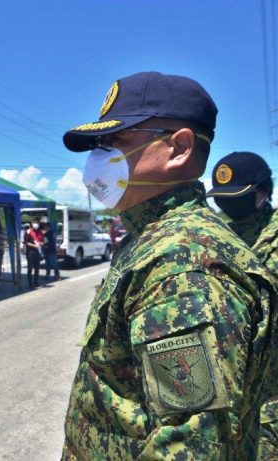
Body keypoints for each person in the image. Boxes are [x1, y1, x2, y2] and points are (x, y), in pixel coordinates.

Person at [60, 71, 277, 459]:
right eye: (99, 144)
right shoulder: (150, 239)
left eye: (117, 141)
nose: (100, 158)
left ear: (179, 148)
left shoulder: (183, 263)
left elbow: (189, 445)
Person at [206, 151, 278, 459]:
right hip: (231, 376)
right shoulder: (220, 232)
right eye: (222, 198)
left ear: (264, 193)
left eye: (238, 198)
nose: (228, 205)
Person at [23, 218, 44, 289]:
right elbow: (26, 242)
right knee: (30, 268)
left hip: (38, 252)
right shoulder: (28, 231)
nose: (36, 224)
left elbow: (43, 241)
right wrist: (34, 245)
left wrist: (41, 243)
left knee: (37, 268)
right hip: (30, 252)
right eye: (34, 222)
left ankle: (36, 282)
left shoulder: (40, 232)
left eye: (37, 222)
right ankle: (30, 284)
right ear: (31, 223)